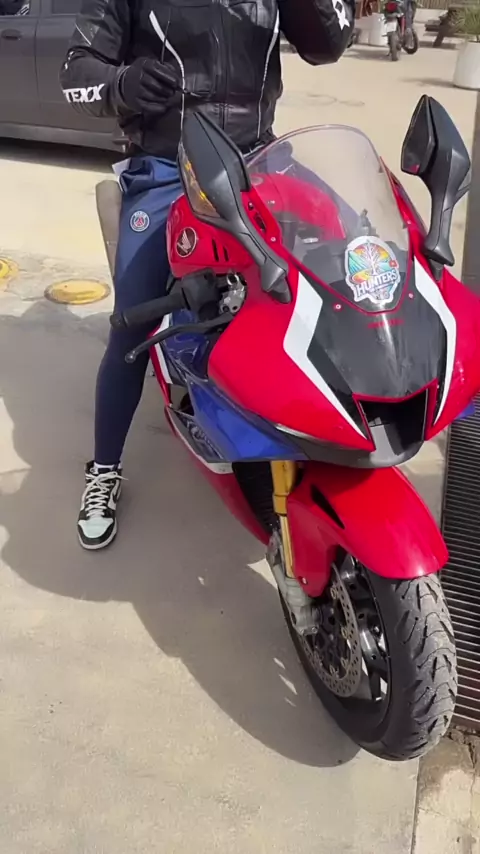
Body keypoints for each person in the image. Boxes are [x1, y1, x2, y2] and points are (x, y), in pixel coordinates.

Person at [61, 0, 354, 551]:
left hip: (258, 160)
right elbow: (75, 72)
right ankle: (103, 469)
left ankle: (344, 428)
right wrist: (121, 84)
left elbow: (329, 44)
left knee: (348, 263)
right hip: (167, 168)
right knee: (131, 323)